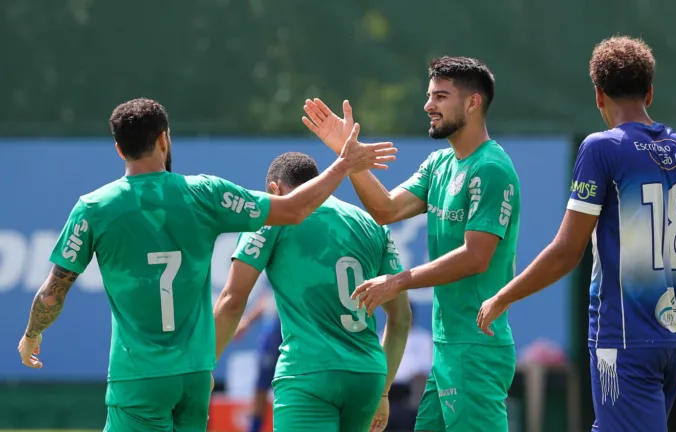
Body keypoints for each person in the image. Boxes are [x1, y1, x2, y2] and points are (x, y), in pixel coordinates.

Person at [15, 98, 397, 432]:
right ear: (164, 138)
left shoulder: (94, 208)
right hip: (195, 376)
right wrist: (343, 164)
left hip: (139, 373)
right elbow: (294, 208)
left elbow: (53, 292)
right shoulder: (205, 193)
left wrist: (33, 333)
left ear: (119, 150)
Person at [476, 35, 676, 432]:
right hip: (671, 343)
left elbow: (565, 252)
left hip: (622, 342)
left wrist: (503, 297)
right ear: (650, 92)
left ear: (598, 95)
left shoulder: (602, 148)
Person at [302, 56, 520, 432]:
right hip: (449, 348)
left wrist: (398, 281)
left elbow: (476, 256)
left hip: (476, 348)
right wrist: (349, 159)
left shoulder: (492, 168)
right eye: (429, 95)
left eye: (440, 96)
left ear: (473, 102)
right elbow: (385, 208)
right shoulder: (440, 164)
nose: (428, 105)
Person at [214, 152, 412, 432]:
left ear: (274, 189)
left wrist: (202, 364)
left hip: (308, 374)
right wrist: (383, 391)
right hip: (367, 376)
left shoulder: (272, 216)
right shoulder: (371, 224)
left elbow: (233, 300)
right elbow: (402, 318)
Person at [231, 291, 283, 432]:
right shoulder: (271, 273)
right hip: (273, 336)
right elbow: (266, 299)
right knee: (261, 388)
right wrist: (247, 321)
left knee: (294, 385)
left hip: (291, 333)